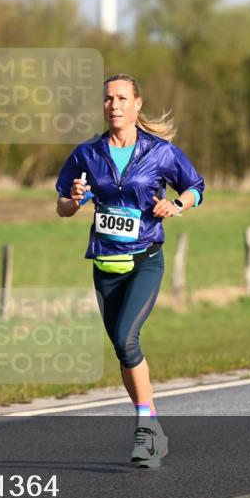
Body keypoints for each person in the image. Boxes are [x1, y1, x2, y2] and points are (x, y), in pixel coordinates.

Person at [55, 73, 204, 468]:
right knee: (124, 349)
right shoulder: (87, 154)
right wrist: (72, 200)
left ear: (138, 104)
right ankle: (152, 426)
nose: (114, 105)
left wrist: (177, 206)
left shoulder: (160, 152)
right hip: (105, 264)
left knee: (126, 336)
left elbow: (196, 186)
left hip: (145, 260)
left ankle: (145, 426)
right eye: (107, 99)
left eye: (122, 98)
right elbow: (63, 207)